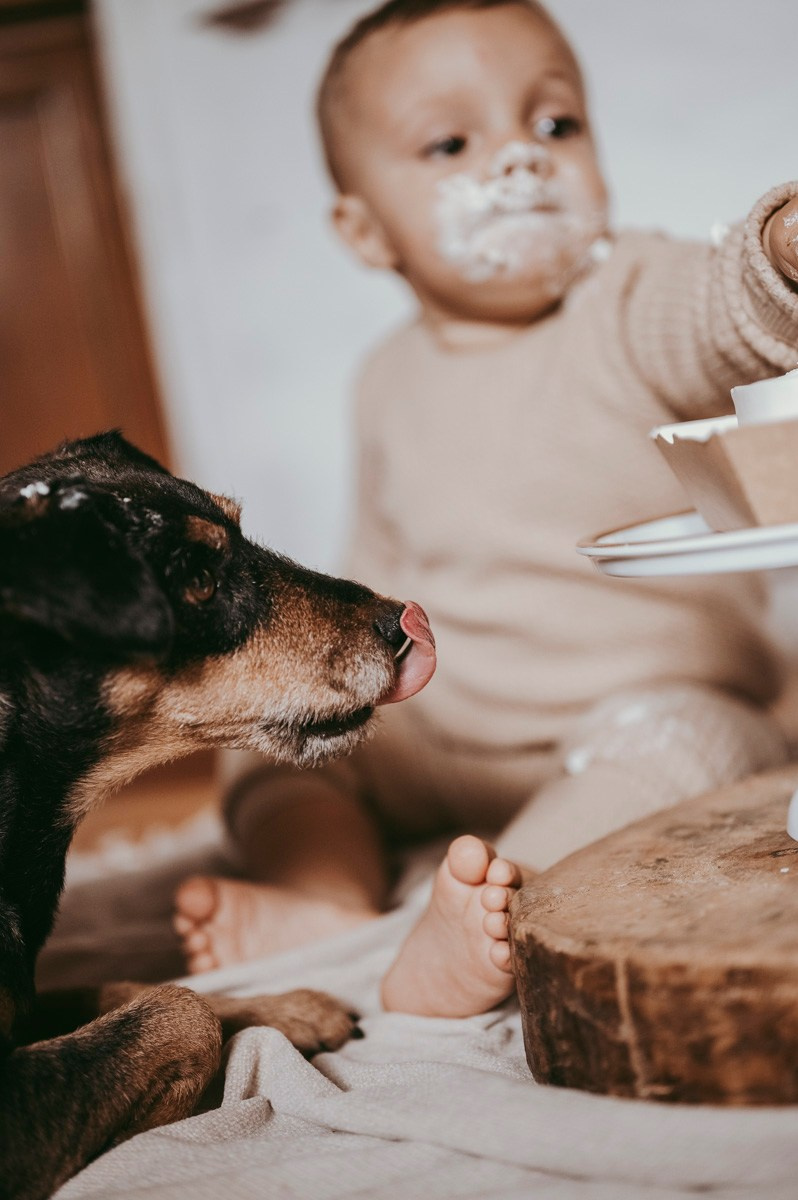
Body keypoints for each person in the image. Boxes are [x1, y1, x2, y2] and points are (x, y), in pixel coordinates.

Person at [173, 0, 798, 1018]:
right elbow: (373, 554)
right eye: (453, 142)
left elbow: (714, 318)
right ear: (365, 230)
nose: (520, 163)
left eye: (555, 126)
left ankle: (480, 899)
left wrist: (776, 260)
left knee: (703, 749)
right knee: (266, 754)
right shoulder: (383, 377)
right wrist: (338, 684)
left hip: (622, 714)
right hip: (436, 727)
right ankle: (323, 896)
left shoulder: (626, 299)